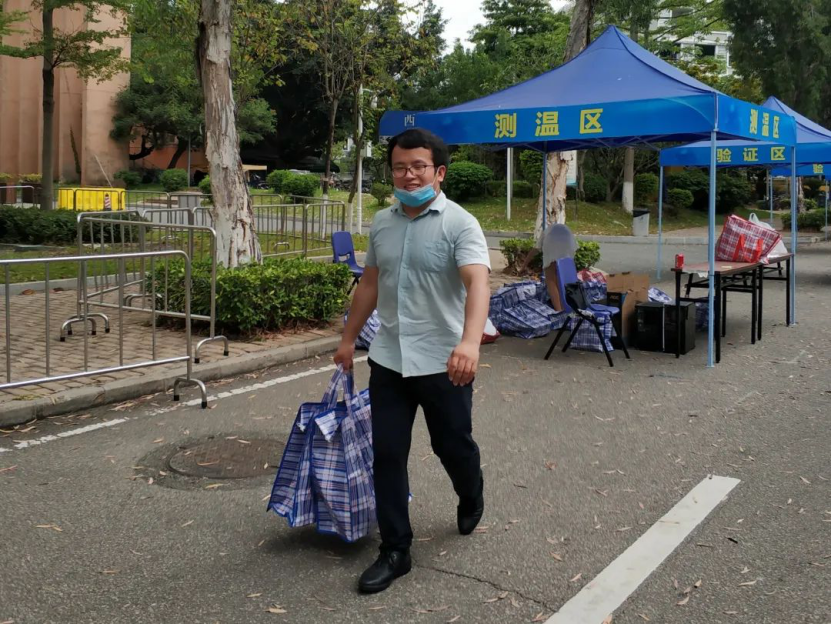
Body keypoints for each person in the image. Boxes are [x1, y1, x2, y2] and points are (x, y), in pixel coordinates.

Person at [334, 128, 491, 594]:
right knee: (387, 454)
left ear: (438, 172)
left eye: (418, 166)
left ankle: (471, 491)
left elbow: (478, 283)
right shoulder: (383, 222)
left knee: (452, 445)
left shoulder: (460, 223)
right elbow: (369, 284)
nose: (409, 175)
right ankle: (396, 550)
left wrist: (470, 343)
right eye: (400, 167)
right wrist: (348, 340)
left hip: (446, 362)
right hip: (390, 358)